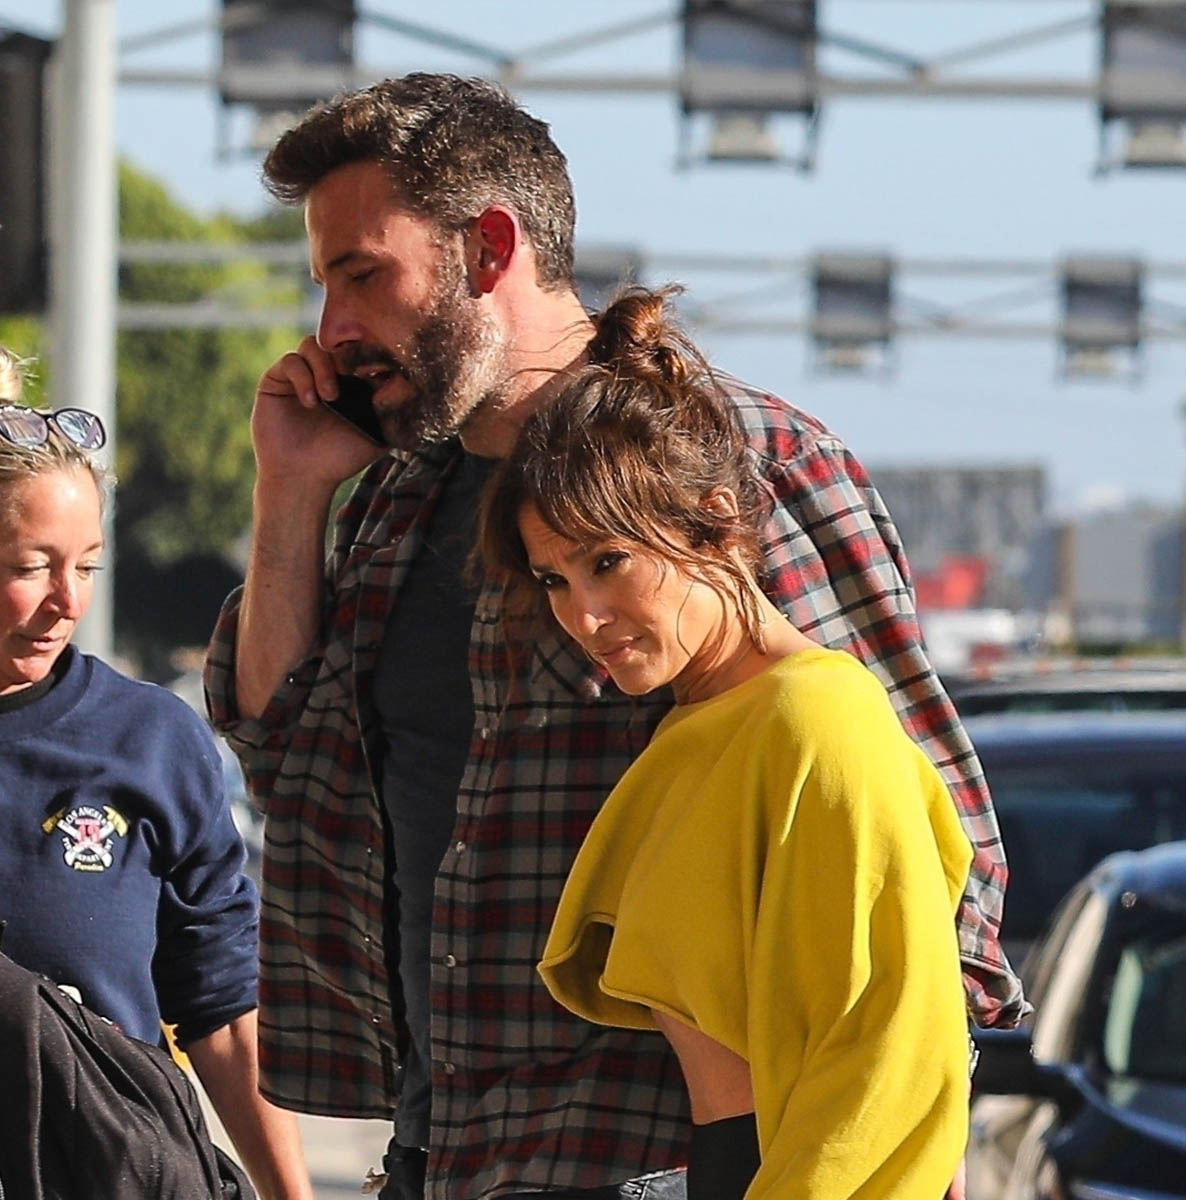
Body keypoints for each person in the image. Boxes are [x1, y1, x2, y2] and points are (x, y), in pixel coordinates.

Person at [203, 73, 1025, 1200]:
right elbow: (289, 766)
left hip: (661, 1161)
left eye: (364, 274)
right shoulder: (397, 498)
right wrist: (290, 496)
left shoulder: (735, 463)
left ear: (490, 248)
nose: (333, 330)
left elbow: (924, 860)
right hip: (444, 1155)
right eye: (325, 286)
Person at [476, 286, 973, 1199]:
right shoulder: (703, 727)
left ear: (714, 519)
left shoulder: (816, 716)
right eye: (554, 580)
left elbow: (891, 1052)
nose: (583, 616)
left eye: (608, 560)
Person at [0, 348, 311, 1200]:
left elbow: (222, 1006)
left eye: (86, 565)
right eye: (31, 567)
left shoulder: (149, 741)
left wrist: (292, 1195)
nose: (68, 601)